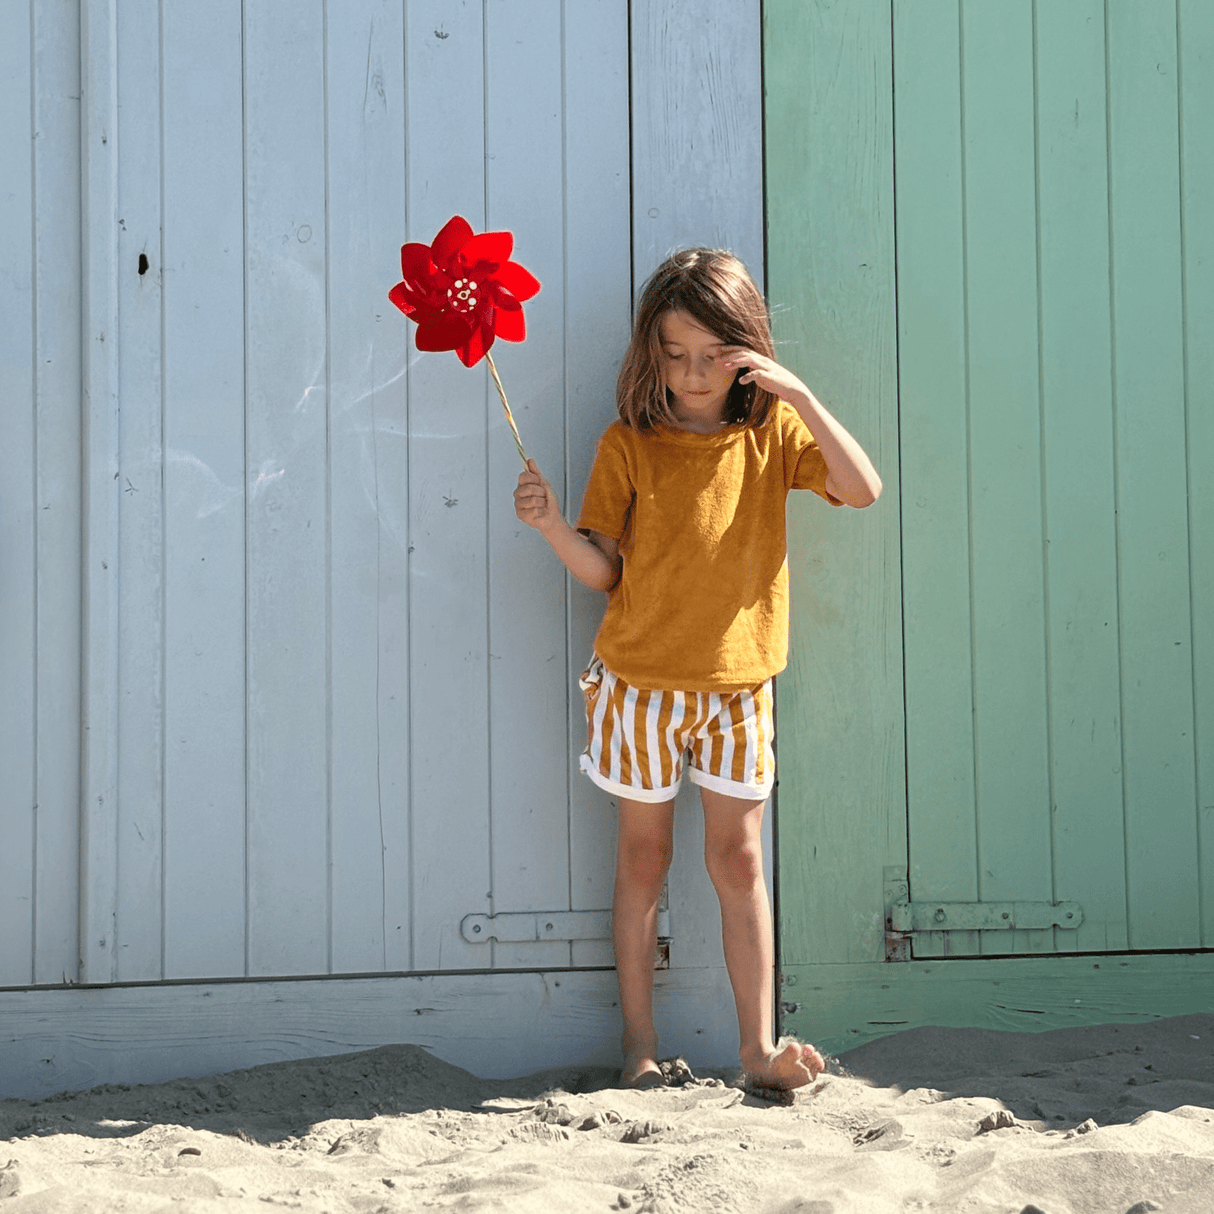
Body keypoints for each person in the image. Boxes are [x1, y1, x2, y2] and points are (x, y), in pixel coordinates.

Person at [513, 248, 882, 1090]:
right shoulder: (628, 445)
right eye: (674, 355)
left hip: (739, 693)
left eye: (713, 354)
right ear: (652, 355)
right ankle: (639, 1047)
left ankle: (757, 1051)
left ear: (747, 348)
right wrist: (549, 528)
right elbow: (605, 572)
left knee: (739, 861)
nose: (693, 373)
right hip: (637, 688)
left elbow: (862, 489)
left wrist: (800, 395)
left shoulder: (773, 437)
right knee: (642, 863)